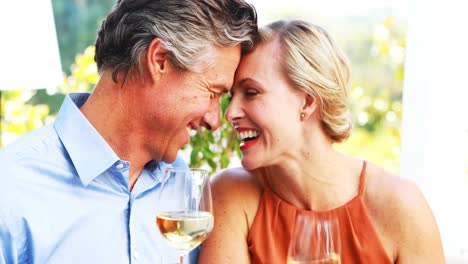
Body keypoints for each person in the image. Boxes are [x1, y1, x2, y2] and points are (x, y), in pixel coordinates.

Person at [0, 0, 257, 263]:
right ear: (160, 60)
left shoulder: (182, 186)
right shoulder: (12, 188)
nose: (215, 120)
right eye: (213, 92)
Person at [198, 20, 444, 263]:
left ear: (307, 101)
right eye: (232, 96)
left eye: (251, 92)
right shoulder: (231, 195)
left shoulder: (400, 206)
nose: (230, 113)